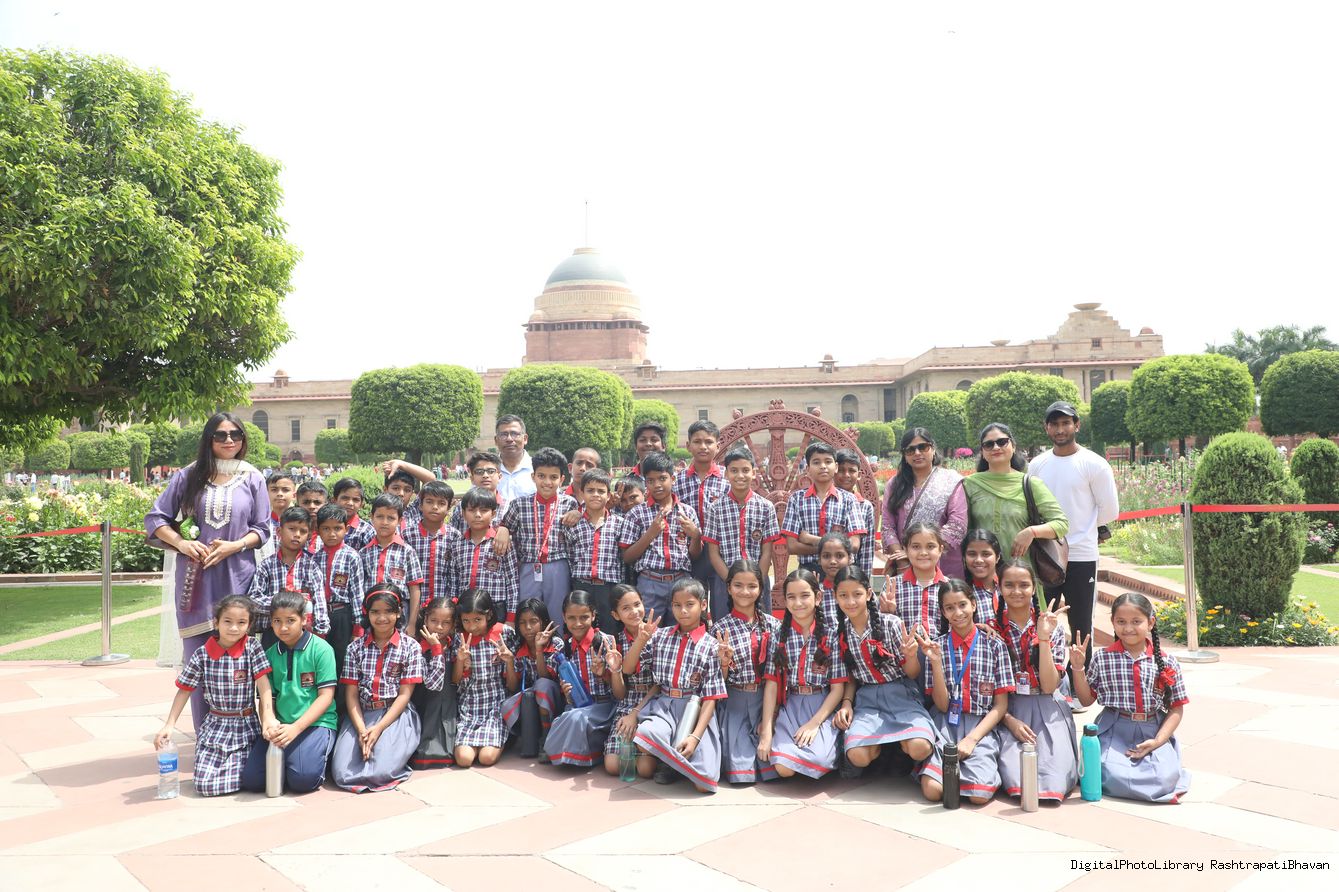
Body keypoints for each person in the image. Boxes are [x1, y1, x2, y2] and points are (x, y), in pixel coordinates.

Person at [146, 412, 270, 735]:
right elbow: (156, 519)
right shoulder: (189, 476)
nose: (229, 440)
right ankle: (205, 739)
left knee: (241, 662)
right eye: (220, 435)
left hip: (237, 579)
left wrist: (235, 545)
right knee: (199, 662)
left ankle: (243, 739)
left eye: (235, 434)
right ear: (208, 439)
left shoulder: (252, 478)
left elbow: (263, 528)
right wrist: (183, 544)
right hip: (196, 583)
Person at [1070, 593, 1190, 803]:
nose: (1128, 628)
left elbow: (1177, 708)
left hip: (1153, 730)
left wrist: (1158, 741)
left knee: (1163, 779)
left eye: (1136, 621)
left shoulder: (1167, 661)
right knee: (1107, 772)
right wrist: (1078, 668)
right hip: (1113, 729)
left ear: (1150, 622)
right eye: (1121, 622)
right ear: (1113, 622)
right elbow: (1086, 700)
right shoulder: (1102, 657)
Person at [1028, 401, 1119, 670]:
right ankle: (1043, 676)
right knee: (1041, 620)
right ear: (1046, 428)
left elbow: (1109, 510)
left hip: (1081, 555)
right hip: (1046, 555)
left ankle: (1080, 680)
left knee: (1081, 624)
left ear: (1076, 425)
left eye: (1066, 423)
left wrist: (1084, 528)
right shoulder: (1037, 465)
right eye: (1054, 424)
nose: (1060, 429)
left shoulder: (1094, 464)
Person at [155, 595, 275, 796]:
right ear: (216, 622)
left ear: (249, 625)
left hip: (245, 727)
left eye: (241, 623)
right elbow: (185, 689)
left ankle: (246, 773)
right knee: (204, 785)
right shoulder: (202, 654)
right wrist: (169, 724)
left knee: (252, 778)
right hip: (215, 727)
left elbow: (264, 685)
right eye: (228, 621)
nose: (234, 628)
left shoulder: (252, 647)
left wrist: (268, 717)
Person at [913, 579, 1013, 805]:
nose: (958, 613)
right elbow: (942, 706)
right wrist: (936, 663)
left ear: (973, 605)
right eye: (950, 608)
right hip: (946, 723)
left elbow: (1000, 705)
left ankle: (977, 773)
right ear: (943, 612)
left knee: (978, 796)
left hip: (980, 726)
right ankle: (945, 774)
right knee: (932, 791)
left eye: (962, 605)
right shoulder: (936, 647)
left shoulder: (995, 645)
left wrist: (971, 740)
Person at [831, 566, 934, 772]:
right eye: (843, 595)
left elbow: (913, 673)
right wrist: (847, 703)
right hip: (868, 700)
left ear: (869, 594)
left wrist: (910, 655)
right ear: (836, 597)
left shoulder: (891, 624)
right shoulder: (839, 634)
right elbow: (849, 676)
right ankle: (883, 749)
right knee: (857, 756)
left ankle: (901, 748)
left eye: (857, 594)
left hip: (901, 694)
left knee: (920, 748)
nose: (851, 601)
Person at [625, 578, 724, 792]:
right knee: (644, 735)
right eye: (677, 605)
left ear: (703, 605)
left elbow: (711, 698)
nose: (683, 611)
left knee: (704, 784)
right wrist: (640, 641)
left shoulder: (711, 645)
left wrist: (695, 737)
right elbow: (628, 668)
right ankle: (672, 762)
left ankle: (674, 762)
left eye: (690, 604)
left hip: (694, 710)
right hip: (664, 708)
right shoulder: (660, 636)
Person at [993, 561, 1078, 803]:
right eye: (1009, 585)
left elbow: (1050, 686)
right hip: (1008, 707)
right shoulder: (990, 628)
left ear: (1034, 588)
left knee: (1056, 778)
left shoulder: (1051, 626)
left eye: (1024, 585)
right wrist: (1008, 720)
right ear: (999, 588)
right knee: (1017, 779)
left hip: (1047, 704)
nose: (1016, 591)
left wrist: (1043, 638)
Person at [241, 591, 338, 794]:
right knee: (253, 781)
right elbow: (267, 697)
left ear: (304, 619)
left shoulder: (322, 649)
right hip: (281, 725)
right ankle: (293, 759)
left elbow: (326, 697)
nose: (283, 627)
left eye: (290, 620)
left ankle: (316, 758)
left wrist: (296, 728)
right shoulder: (270, 654)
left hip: (315, 724)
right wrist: (268, 722)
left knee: (303, 781)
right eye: (277, 621)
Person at [333, 586, 424, 792]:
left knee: (380, 772)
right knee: (341, 772)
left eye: (388, 611)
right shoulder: (355, 648)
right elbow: (351, 694)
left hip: (394, 714)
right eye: (375, 612)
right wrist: (362, 730)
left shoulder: (411, 647)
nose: (382, 618)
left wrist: (379, 728)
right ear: (367, 613)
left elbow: (404, 695)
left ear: (399, 612)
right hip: (361, 714)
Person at [759, 569, 847, 779]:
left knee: (820, 760)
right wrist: (766, 732)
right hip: (792, 705)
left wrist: (814, 724)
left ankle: (832, 745)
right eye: (791, 597)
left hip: (822, 705)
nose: (798, 603)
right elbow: (772, 685)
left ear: (818, 598)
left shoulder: (831, 635)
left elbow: (837, 689)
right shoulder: (778, 636)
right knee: (783, 768)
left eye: (805, 596)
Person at [961, 422, 1068, 571]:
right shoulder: (970, 484)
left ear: (1013, 446)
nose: (996, 447)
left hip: (1021, 574)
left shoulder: (1031, 484)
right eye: (989, 444)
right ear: (983, 452)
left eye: (1002, 442)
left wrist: (1031, 532)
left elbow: (1061, 524)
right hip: (982, 573)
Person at [711, 560, 780, 784]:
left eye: (752, 586)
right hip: (734, 704)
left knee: (776, 768)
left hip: (767, 701)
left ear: (761, 588)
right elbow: (715, 682)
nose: (745, 591)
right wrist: (723, 664)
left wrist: (773, 715)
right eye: (738, 585)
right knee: (741, 776)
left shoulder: (774, 626)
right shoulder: (719, 629)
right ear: (729, 588)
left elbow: (779, 676)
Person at [500, 446, 578, 627]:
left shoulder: (570, 504)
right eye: (541, 476)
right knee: (528, 613)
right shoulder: (519, 504)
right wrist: (503, 529)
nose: (547, 482)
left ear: (562, 479)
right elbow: (506, 526)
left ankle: (557, 644)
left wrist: (578, 514)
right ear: (533, 476)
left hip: (557, 566)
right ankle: (528, 646)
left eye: (553, 477)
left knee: (557, 614)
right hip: (528, 566)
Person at [545, 590, 622, 768]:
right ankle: (576, 754)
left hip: (605, 707)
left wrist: (604, 674)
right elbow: (570, 697)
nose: (578, 623)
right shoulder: (563, 648)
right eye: (571, 618)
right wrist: (567, 693)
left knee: (574, 718)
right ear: (564, 618)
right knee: (567, 717)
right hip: (577, 707)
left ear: (593, 615)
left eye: (584, 617)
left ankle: (579, 756)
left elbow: (619, 692)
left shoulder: (607, 642)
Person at [703, 445, 781, 619]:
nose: (740, 475)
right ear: (726, 474)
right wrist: (732, 584)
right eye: (734, 471)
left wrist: (756, 583)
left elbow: (767, 552)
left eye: (745, 470)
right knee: (725, 628)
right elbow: (714, 554)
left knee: (760, 627)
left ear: (754, 473)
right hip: (724, 582)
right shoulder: (715, 508)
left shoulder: (766, 507)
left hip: (757, 582)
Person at [620, 451, 702, 617]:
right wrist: (650, 534)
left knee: (680, 627)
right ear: (645, 483)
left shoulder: (687, 512)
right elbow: (627, 557)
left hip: (681, 582)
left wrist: (696, 536)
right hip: (649, 581)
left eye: (662, 478)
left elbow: (694, 555)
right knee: (648, 628)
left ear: (673, 479)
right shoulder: (636, 513)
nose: (657, 484)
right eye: (651, 480)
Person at [881, 428, 968, 580]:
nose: (917, 453)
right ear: (904, 455)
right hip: (905, 564)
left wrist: (924, 550)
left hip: (944, 563)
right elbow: (888, 526)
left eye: (923, 447)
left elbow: (957, 524)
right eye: (910, 450)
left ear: (933, 449)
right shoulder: (894, 485)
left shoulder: (950, 480)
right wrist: (903, 557)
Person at [453, 589, 520, 768]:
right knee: (464, 759)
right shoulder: (460, 638)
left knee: (487, 758)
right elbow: (456, 680)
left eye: (477, 620)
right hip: (470, 704)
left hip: (496, 703)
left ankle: (503, 737)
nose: (472, 626)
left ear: (489, 615)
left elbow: (512, 686)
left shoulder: (504, 633)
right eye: (466, 620)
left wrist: (509, 662)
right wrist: (460, 661)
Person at [247, 506, 329, 643]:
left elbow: (320, 602)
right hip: (272, 632)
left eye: (303, 531)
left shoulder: (311, 567)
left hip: (304, 632)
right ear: (279, 532)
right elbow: (253, 600)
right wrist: (284, 601)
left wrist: (321, 631)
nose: (297, 534)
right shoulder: (266, 565)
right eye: (292, 529)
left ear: (309, 536)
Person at [602, 585, 661, 777]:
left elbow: (660, 684)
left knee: (645, 769)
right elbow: (620, 694)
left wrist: (636, 714)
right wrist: (615, 670)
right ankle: (634, 750)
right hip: (627, 703)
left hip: (654, 702)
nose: (634, 611)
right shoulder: (616, 642)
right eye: (626, 608)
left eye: (637, 604)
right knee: (612, 766)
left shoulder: (659, 636)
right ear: (616, 615)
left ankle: (651, 755)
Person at [781, 441, 864, 573]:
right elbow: (792, 546)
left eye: (828, 461)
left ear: (836, 467)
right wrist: (835, 548)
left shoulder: (849, 500)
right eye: (816, 462)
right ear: (807, 469)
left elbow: (854, 545)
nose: (823, 466)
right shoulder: (796, 499)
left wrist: (811, 540)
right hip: (808, 571)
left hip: (841, 572)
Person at [562, 468, 625, 634]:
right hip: (581, 585)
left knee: (609, 631)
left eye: (601, 491)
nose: (596, 495)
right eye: (590, 490)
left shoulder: (619, 524)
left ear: (609, 495)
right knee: (582, 630)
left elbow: (622, 558)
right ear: (582, 493)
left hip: (608, 587)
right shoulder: (573, 524)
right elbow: (570, 555)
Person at [313, 503, 367, 682]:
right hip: (319, 615)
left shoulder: (352, 556)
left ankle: (341, 699)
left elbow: (357, 594)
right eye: (326, 529)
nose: (332, 534)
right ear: (318, 530)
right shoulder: (314, 557)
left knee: (342, 660)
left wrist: (358, 628)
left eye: (337, 528)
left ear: (346, 529)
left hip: (342, 615)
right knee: (320, 659)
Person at [674, 420, 729, 590]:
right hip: (690, 550)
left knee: (721, 598)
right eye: (697, 442)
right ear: (688, 446)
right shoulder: (678, 480)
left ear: (718, 446)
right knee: (694, 598)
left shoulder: (727, 478)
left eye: (709, 442)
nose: (703, 447)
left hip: (720, 549)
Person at [449, 487, 519, 621]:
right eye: (471, 510)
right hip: (465, 608)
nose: (477, 515)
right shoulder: (457, 544)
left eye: (484, 510)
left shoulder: (502, 543)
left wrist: (511, 618)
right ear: (463, 514)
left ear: (493, 514)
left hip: (495, 607)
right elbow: (454, 582)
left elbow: (512, 582)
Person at [359, 493, 425, 633]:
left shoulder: (407, 551)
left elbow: (414, 589)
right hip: (372, 613)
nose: (384, 522)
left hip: (399, 613)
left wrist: (412, 623)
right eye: (379, 516)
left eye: (391, 518)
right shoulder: (364, 553)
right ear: (371, 518)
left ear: (400, 520)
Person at [500, 598, 562, 742]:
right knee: (508, 704)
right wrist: (509, 662)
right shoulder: (516, 646)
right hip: (531, 701)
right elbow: (512, 687)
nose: (528, 627)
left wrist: (539, 650)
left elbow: (546, 679)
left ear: (543, 622)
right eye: (522, 622)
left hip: (554, 700)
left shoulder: (555, 643)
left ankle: (546, 737)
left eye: (533, 621)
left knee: (542, 685)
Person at [410, 596, 457, 769]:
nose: (439, 627)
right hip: (426, 702)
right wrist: (436, 650)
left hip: (449, 704)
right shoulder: (417, 647)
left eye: (446, 623)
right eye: (434, 621)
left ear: (453, 625)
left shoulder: (455, 645)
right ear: (425, 619)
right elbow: (433, 685)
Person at [402, 480, 460, 610]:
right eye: (429, 502)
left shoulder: (454, 536)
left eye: (441, 503)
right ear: (420, 505)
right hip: (414, 606)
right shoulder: (408, 535)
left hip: (444, 606)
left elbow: (455, 575)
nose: (435, 507)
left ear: (449, 508)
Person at [882, 522, 948, 635]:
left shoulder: (949, 587)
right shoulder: (893, 586)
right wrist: (888, 614)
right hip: (902, 645)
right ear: (906, 550)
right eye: (916, 547)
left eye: (930, 546)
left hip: (940, 646)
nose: (923, 553)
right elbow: (882, 629)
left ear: (940, 550)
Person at [834, 448, 877, 574]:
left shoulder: (865, 506)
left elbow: (867, 548)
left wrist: (864, 579)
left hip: (852, 572)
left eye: (852, 471)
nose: (846, 475)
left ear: (859, 475)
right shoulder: (825, 501)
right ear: (834, 471)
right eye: (841, 470)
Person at [450, 452, 511, 538]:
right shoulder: (462, 507)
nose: (485, 475)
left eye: (491, 471)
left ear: (499, 477)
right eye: (479, 472)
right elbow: (452, 535)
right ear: (472, 478)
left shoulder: (509, 507)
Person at [961, 529, 1005, 625]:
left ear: (997, 557)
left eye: (986, 554)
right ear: (964, 558)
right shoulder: (961, 594)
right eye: (972, 554)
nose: (979, 560)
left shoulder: (1012, 588)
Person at [815, 531, 854, 627]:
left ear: (849, 558)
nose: (832, 561)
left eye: (839, 556)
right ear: (819, 559)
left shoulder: (860, 590)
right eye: (826, 556)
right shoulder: (816, 593)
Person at [494, 414, 536, 502]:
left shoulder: (538, 469)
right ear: (496, 440)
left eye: (514, 434)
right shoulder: (487, 472)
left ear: (525, 439)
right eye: (503, 434)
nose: (509, 439)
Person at [260, 471, 298, 562]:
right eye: (274, 490)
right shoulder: (260, 522)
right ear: (266, 493)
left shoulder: (301, 522)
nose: (279, 494)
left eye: (285, 490)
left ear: (294, 495)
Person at [331, 477, 374, 550]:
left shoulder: (366, 531)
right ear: (334, 500)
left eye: (355, 500)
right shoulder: (326, 525)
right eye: (345, 498)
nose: (350, 503)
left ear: (361, 504)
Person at [294, 480, 328, 554]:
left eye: (317, 502)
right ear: (297, 505)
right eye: (306, 502)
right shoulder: (291, 533)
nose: (312, 506)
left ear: (326, 505)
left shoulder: (331, 534)